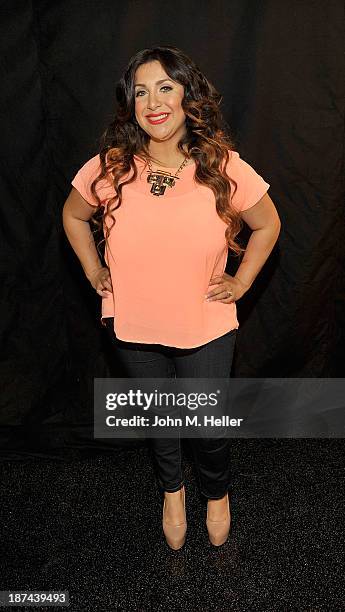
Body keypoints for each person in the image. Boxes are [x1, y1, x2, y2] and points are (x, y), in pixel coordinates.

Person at [62, 46, 281, 551]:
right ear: (131, 103)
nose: (153, 101)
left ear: (188, 96)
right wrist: (94, 268)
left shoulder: (223, 165)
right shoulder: (110, 166)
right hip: (134, 323)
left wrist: (243, 282)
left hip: (204, 321)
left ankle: (217, 493)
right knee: (161, 421)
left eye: (165, 87)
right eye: (141, 91)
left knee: (206, 426)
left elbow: (268, 224)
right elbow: (73, 215)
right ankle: (172, 493)